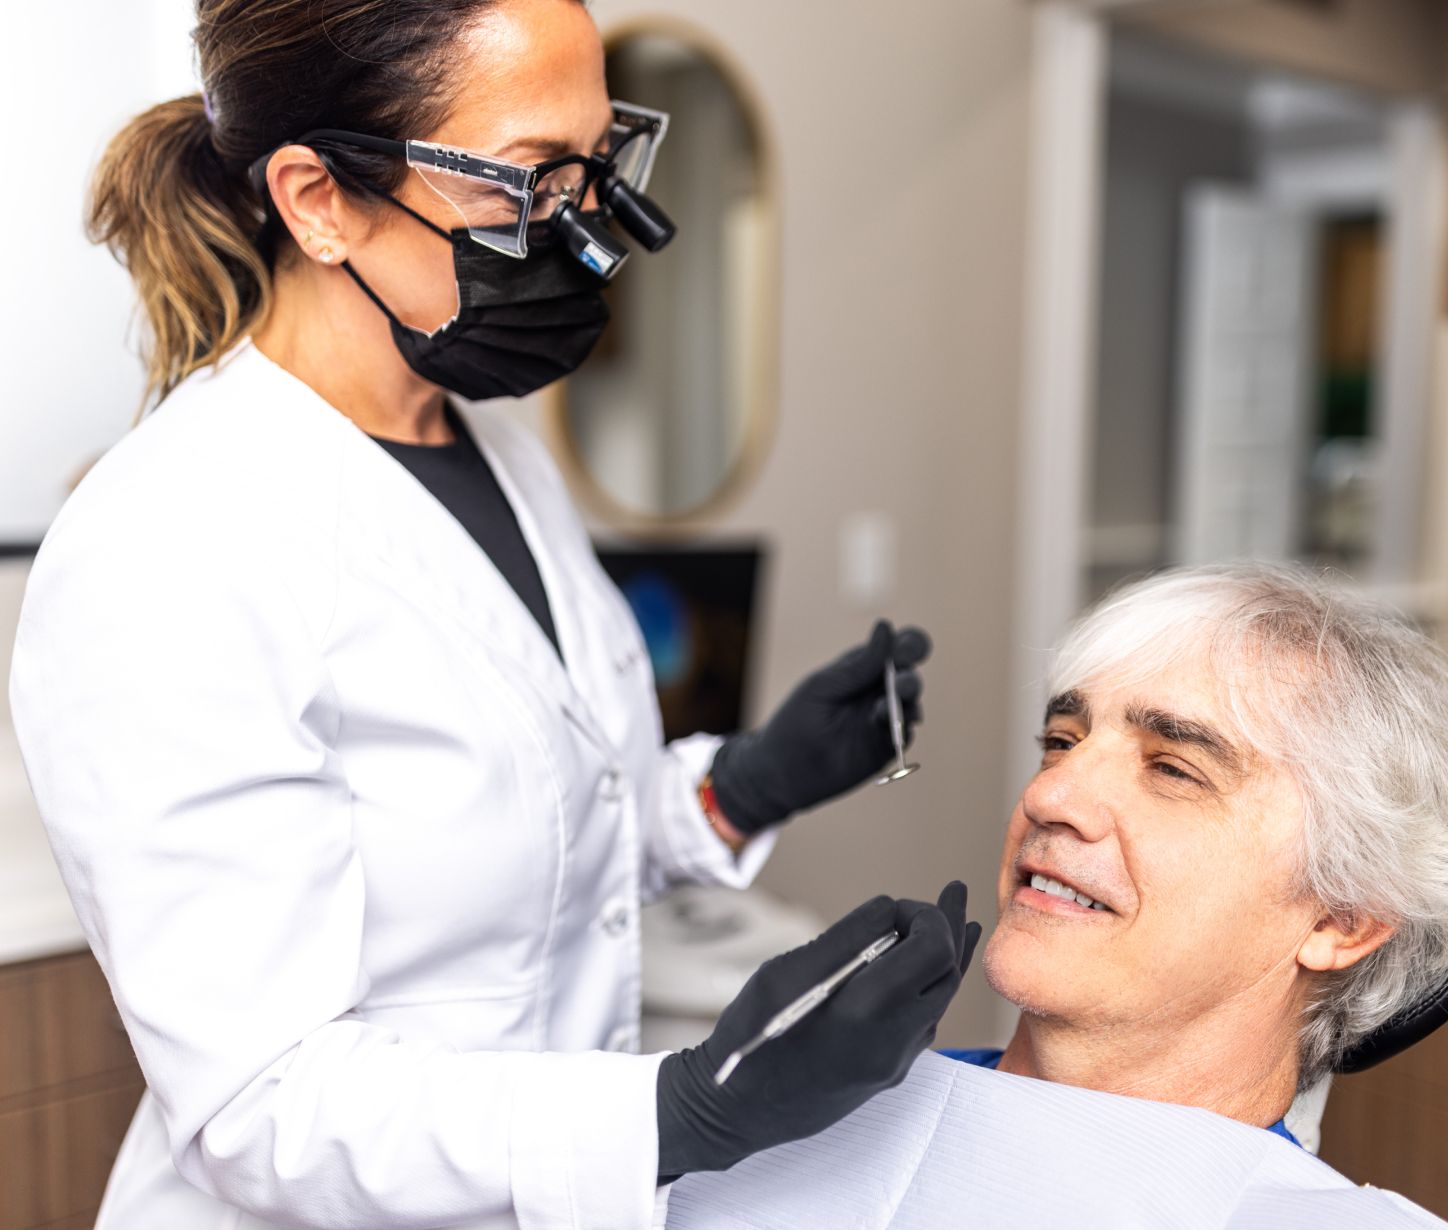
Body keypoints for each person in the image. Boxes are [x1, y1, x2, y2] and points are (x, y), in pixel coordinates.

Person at [6, 1, 981, 1226]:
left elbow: (534, 851)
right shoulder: (172, 541)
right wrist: (678, 1112)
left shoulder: (496, 455)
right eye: (527, 182)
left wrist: (743, 786)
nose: (583, 234)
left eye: (592, 167)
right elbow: (260, 1104)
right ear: (317, 198)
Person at [947, 561, 1448, 1149]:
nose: (1047, 795)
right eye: (1062, 742)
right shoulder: (834, 1103)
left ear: (1341, 919)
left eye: (1173, 770)